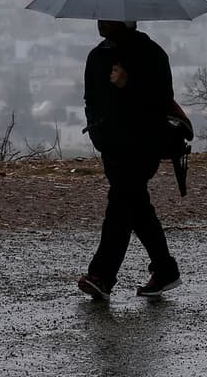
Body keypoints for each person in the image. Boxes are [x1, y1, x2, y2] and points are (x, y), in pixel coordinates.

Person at [77, 19, 181, 300]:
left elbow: (162, 101)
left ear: (124, 20)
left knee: (121, 202)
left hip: (143, 143)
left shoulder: (151, 54)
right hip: (111, 145)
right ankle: (165, 269)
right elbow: (91, 99)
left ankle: (102, 275)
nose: (99, 21)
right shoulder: (97, 56)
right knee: (136, 207)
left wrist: (129, 84)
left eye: (107, 16)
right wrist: (98, 134)